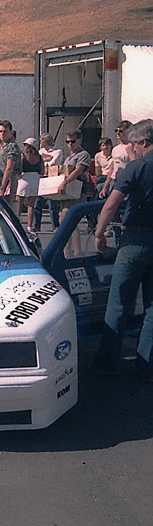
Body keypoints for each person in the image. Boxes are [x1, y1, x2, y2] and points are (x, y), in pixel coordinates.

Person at [91, 119, 153, 382]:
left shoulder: (137, 168)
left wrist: (99, 233)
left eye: (134, 145)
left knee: (118, 304)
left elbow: (111, 205)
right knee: (152, 308)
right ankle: (147, 365)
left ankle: (108, 363)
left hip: (135, 240)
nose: (132, 150)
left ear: (144, 143)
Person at [57, 130, 92, 224]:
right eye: (67, 142)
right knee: (65, 221)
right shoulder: (68, 157)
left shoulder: (83, 155)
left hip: (78, 190)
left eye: (73, 141)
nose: (70, 144)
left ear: (79, 141)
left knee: (67, 219)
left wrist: (65, 182)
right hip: (68, 191)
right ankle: (71, 239)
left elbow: (78, 170)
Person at [34, 133, 62, 231]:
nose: (40, 143)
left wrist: (44, 160)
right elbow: (37, 162)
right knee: (38, 203)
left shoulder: (58, 151)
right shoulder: (41, 151)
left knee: (53, 204)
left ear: (48, 142)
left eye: (42, 141)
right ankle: (36, 225)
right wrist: (46, 159)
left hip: (52, 178)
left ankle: (55, 225)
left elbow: (52, 164)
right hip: (41, 178)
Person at [0, 120, 22, 210]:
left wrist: (2, 187)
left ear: (10, 132)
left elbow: (9, 168)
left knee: (6, 208)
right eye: (0, 131)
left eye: (5, 131)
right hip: (0, 178)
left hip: (8, 180)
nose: (2, 134)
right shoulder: (3, 145)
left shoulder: (11, 146)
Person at [17, 137, 42, 233]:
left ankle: (17, 222)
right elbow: (42, 170)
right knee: (31, 204)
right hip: (35, 178)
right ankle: (29, 226)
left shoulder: (23, 156)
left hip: (25, 178)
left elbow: (20, 167)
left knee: (19, 203)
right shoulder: (39, 157)